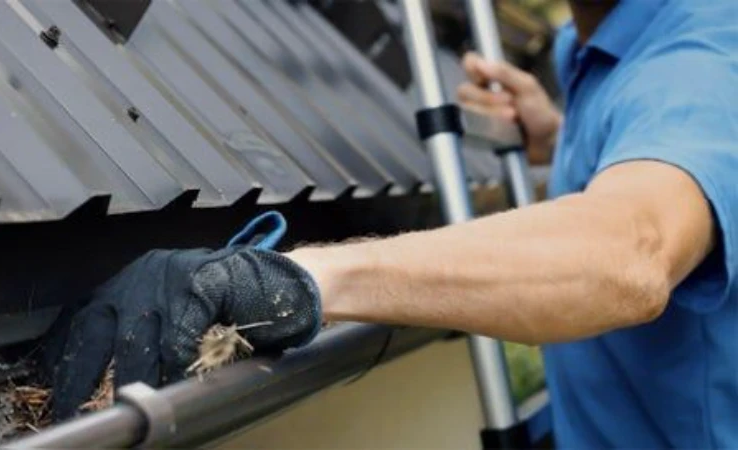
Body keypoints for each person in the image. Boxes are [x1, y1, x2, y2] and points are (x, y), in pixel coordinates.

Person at [46, 0, 737, 447]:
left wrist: (292, 278)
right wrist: (560, 137)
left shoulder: (702, 62)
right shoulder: (598, 45)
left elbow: (631, 253)